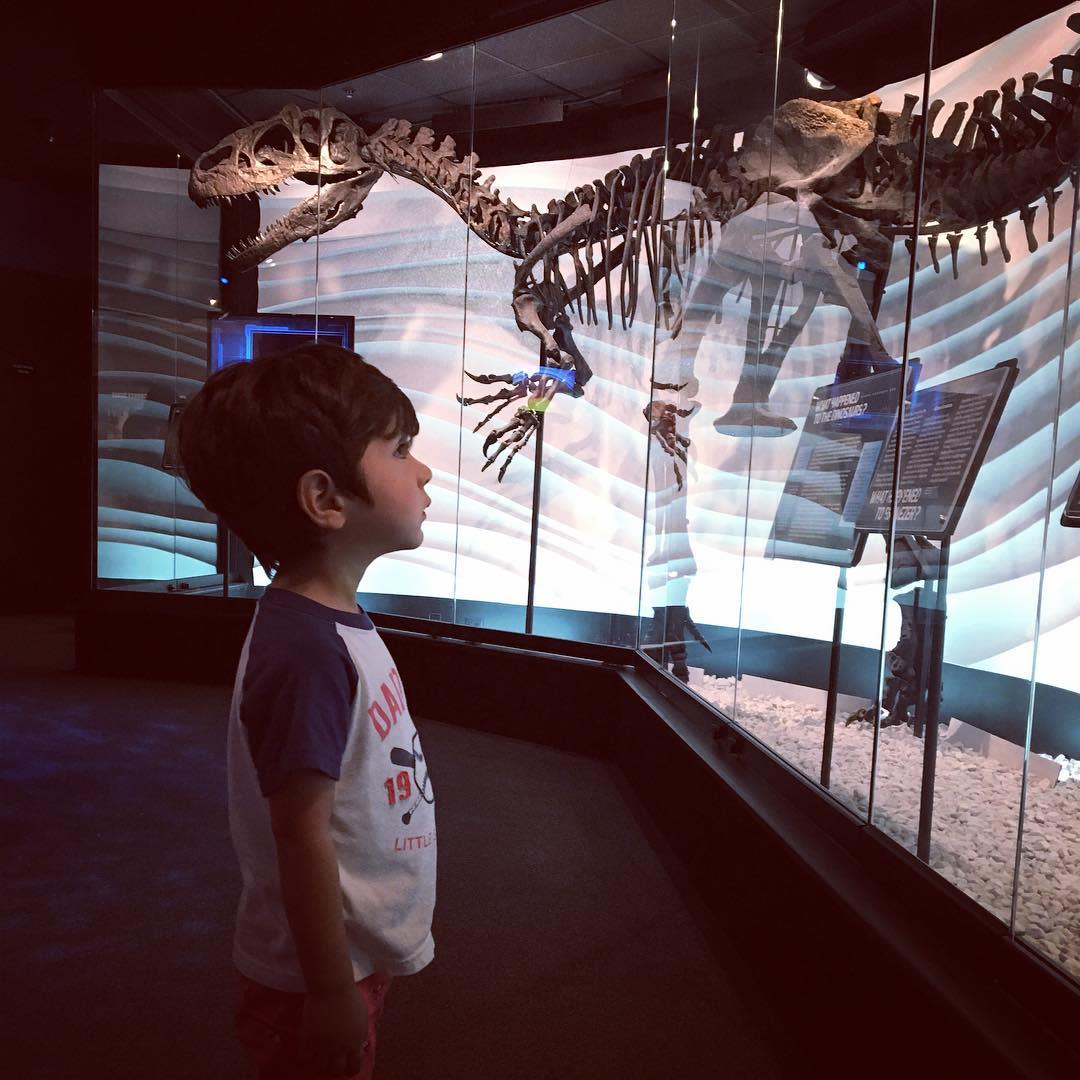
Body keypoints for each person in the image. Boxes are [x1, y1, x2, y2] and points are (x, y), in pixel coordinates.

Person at [177, 343, 436, 1079]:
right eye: (400, 448)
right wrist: (328, 991)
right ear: (326, 499)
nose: (423, 471)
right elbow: (299, 836)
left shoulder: (328, 623)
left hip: (344, 953)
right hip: (315, 974)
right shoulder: (307, 649)